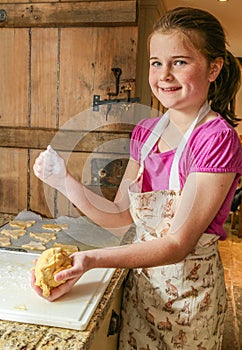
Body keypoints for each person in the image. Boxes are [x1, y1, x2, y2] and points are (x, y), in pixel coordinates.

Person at [32, 7, 242, 349]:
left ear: (214, 68)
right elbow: (120, 218)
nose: (164, 75)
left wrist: (91, 260)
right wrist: (63, 181)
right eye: (156, 62)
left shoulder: (215, 139)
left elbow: (178, 244)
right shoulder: (146, 133)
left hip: (189, 304)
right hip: (142, 291)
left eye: (180, 62)